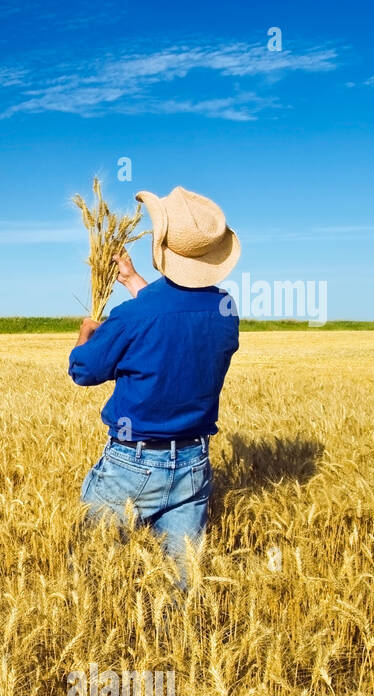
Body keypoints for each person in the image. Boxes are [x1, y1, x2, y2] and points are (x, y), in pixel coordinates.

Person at [68, 186, 241, 584]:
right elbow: (177, 315)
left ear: (160, 243)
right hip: (194, 465)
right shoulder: (225, 311)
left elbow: (83, 371)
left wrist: (86, 335)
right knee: (182, 585)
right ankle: (182, 645)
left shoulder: (131, 317)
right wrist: (132, 281)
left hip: (132, 464)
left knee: (91, 579)